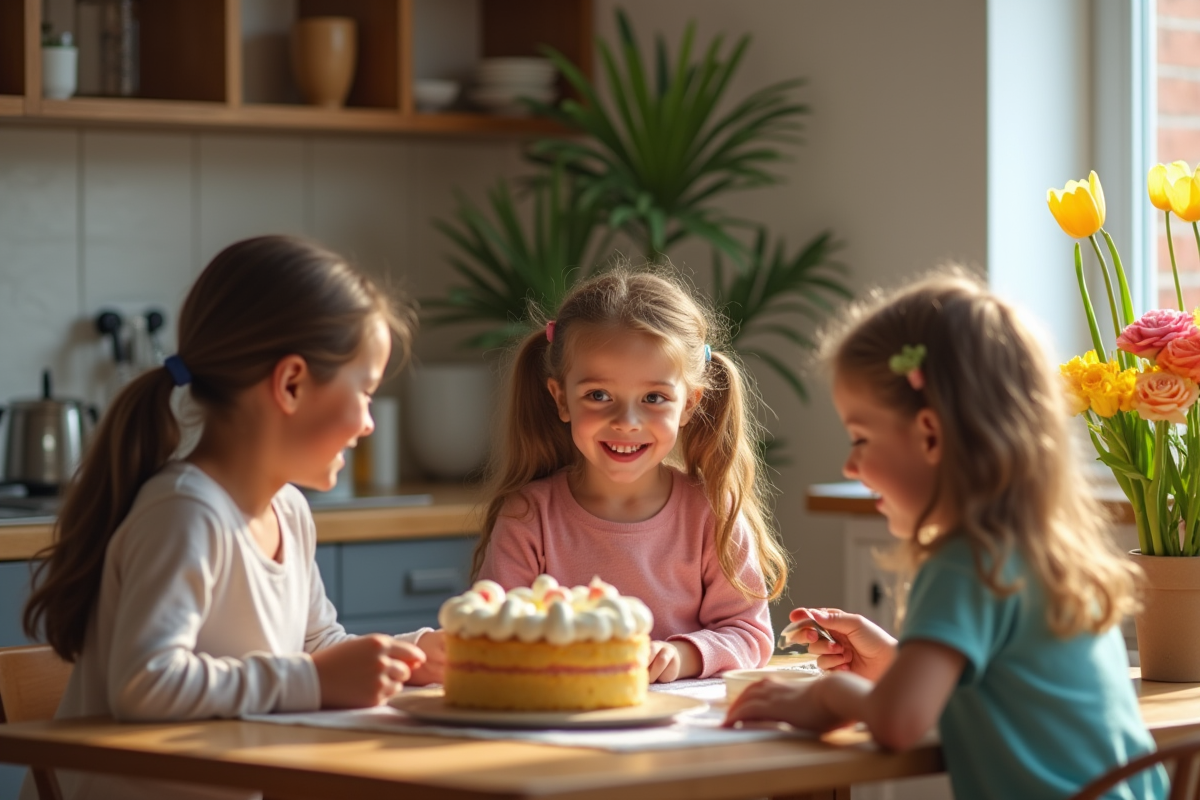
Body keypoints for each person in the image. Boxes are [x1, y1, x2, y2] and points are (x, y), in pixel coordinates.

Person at [21, 235, 444, 800]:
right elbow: (146, 685)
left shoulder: (289, 512)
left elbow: (317, 645)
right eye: (365, 392)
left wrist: (409, 657)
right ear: (291, 383)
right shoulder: (186, 514)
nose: (369, 423)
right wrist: (316, 681)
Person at [724, 274, 1166, 799]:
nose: (849, 464)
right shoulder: (1040, 548)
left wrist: (829, 699)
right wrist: (896, 661)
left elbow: (898, 723)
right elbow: (1002, 682)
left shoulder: (963, 562)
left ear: (931, 434)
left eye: (861, 438)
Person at [474, 267, 788, 682]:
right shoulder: (528, 517)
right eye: (598, 395)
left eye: (654, 397)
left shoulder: (711, 512)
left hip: (685, 740)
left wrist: (680, 656)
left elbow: (748, 634)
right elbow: (492, 638)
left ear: (689, 405)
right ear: (561, 398)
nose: (626, 420)